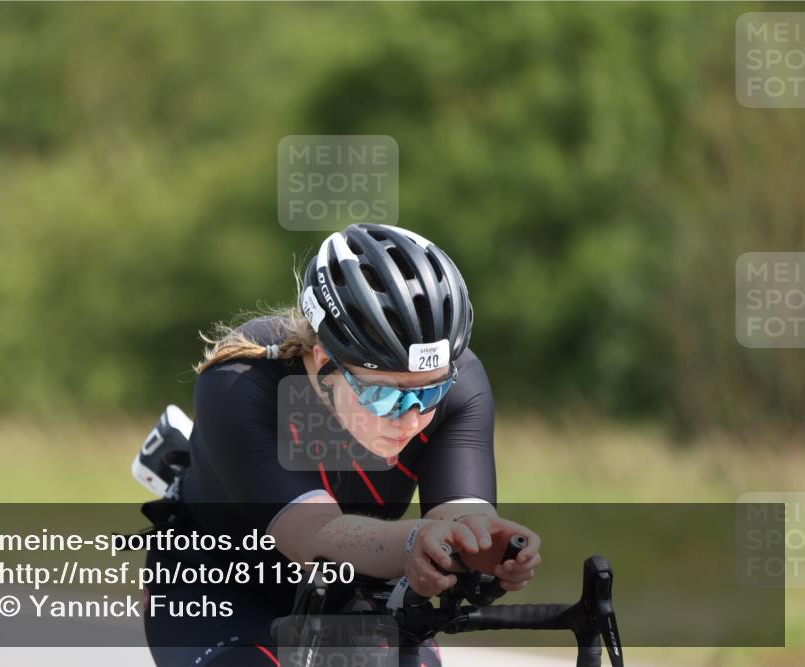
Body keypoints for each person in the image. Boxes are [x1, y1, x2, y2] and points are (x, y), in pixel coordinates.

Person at [143, 223, 541, 666]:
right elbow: (317, 536)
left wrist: (484, 546)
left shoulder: (462, 381)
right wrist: (415, 540)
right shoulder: (241, 385)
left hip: (352, 585)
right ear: (324, 361)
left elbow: (458, 517)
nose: (410, 418)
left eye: (429, 393)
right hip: (222, 588)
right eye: (384, 394)